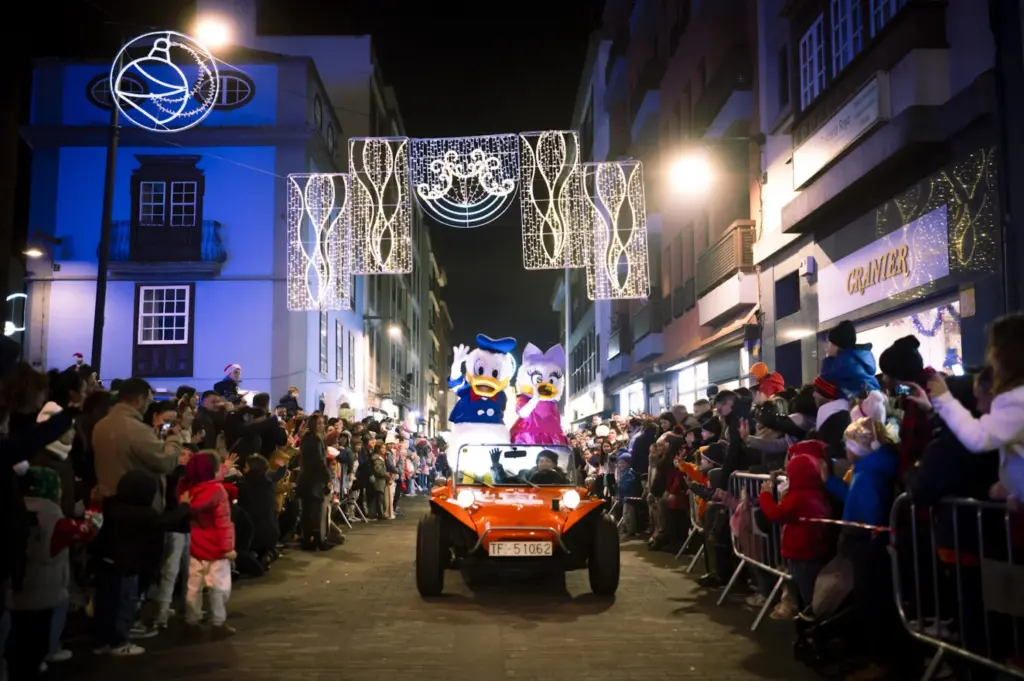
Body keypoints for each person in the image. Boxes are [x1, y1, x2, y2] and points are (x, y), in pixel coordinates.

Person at [6, 467, 99, 678]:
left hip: (15, 583)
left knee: (16, 631)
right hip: (45, 587)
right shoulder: (53, 517)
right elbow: (87, 531)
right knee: (39, 632)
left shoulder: (13, 507)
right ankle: (40, 658)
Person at [92, 471, 191, 656]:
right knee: (125, 604)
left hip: (106, 563)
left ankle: (102, 642)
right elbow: (166, 522)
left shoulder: (113, 506)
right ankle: (120, 642)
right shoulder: (143, 513)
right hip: (127, 566)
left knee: (106, 604)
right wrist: (185, 505)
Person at [92, 378, 183, 512]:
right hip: (138, 506)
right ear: (139, 400)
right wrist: (173, 438)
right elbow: (165, 461)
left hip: (109, 502)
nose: (148, 406)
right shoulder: (136, 429)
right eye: (148, 401)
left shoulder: (101, 425)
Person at [178, 452, 235, 638]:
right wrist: (228, 548)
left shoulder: (188, 492)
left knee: (193, 586)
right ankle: (218, 623)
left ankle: (191, 621)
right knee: (219, 588)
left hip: (196, 544)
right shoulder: (218, 492)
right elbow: (223, 521)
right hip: (217, 548)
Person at [296, 414, 332, 549]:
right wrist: (328, 476)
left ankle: (312, 540)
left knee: (311, 511)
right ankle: (314, 541)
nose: (322, 426)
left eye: (323, 423)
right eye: (319, 424)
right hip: (312, 480)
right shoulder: (313, 440)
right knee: (313, 512)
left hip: (311, 479)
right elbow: (318, 461)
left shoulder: (313, 439)